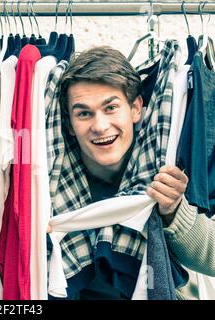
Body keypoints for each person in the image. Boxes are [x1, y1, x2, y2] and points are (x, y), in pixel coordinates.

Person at [55, 46, 215, 300]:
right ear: (70, 125)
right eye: (84, 113)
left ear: (136, 108)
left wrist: (175, 211)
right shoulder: (53, 181)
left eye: (110, 108)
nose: (99, 126)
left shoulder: (170, 160)